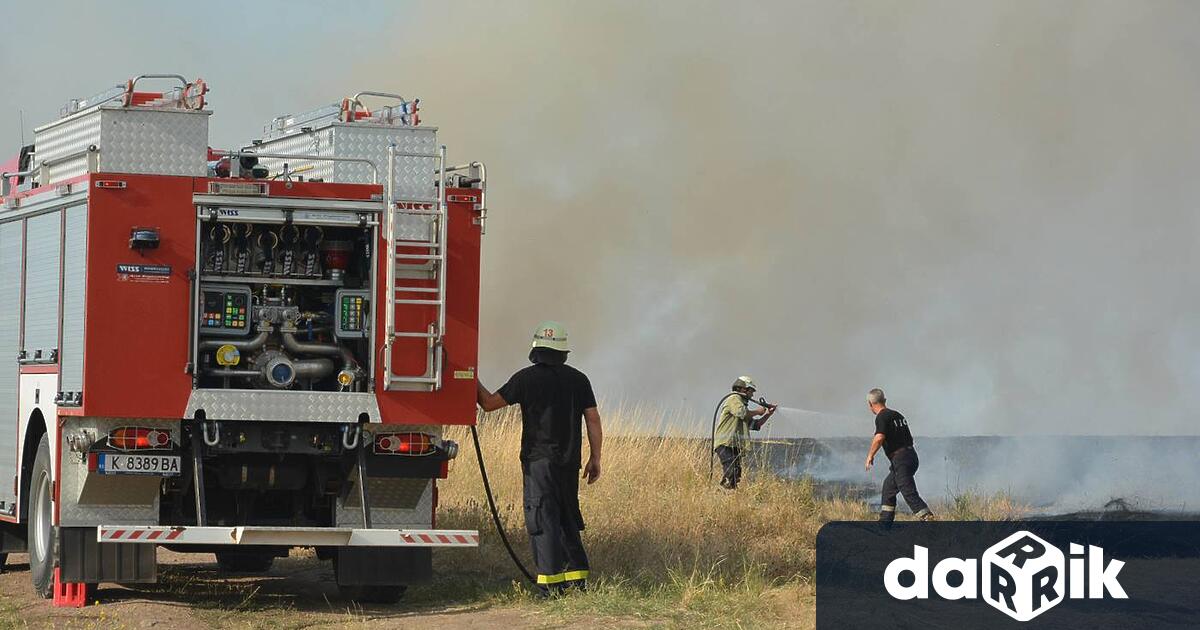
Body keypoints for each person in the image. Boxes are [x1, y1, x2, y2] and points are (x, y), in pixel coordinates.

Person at [476, 320, 603, 593]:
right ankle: (577, 582)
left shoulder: (525, 378)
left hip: (538, 463)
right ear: (563, 352)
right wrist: (596, 458)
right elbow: (592, 419)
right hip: (570, 464)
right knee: (568, 517)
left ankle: (550, 587)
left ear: (537, 350)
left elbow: (488, 404)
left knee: (543, 519)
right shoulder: (579, 380)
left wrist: (469, 376)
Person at [864, 388, 934, 524]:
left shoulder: (882, 417)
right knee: (888, 488)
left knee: (907, 490)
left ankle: (927, 518)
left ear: (870, 404)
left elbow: (879, 437)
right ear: (884, 400)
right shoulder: (898, 415)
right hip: (910, 456)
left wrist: (870, 456)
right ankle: (885, 524)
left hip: (901, 459)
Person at [713, 376, 776, 490]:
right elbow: (742, 413)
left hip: (734, 444)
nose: (752, 395)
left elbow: (756, 425)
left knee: (736, 473)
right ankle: (721, 494)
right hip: (725, 444)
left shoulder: (742, 405)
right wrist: (758, 411)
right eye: (751, 391)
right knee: (731, 471)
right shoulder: (734, 399)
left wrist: (768, 414)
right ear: (743, 389)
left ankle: (727, 495)